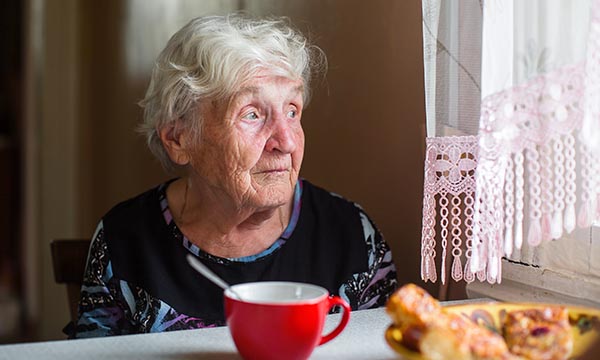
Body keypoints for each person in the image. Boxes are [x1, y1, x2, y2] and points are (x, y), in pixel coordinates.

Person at [70, 13, 398, 338]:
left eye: (292, 110)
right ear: (178, 139)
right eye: (252, 114)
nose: (285, 141)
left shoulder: (351, 236)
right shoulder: (125, 241)